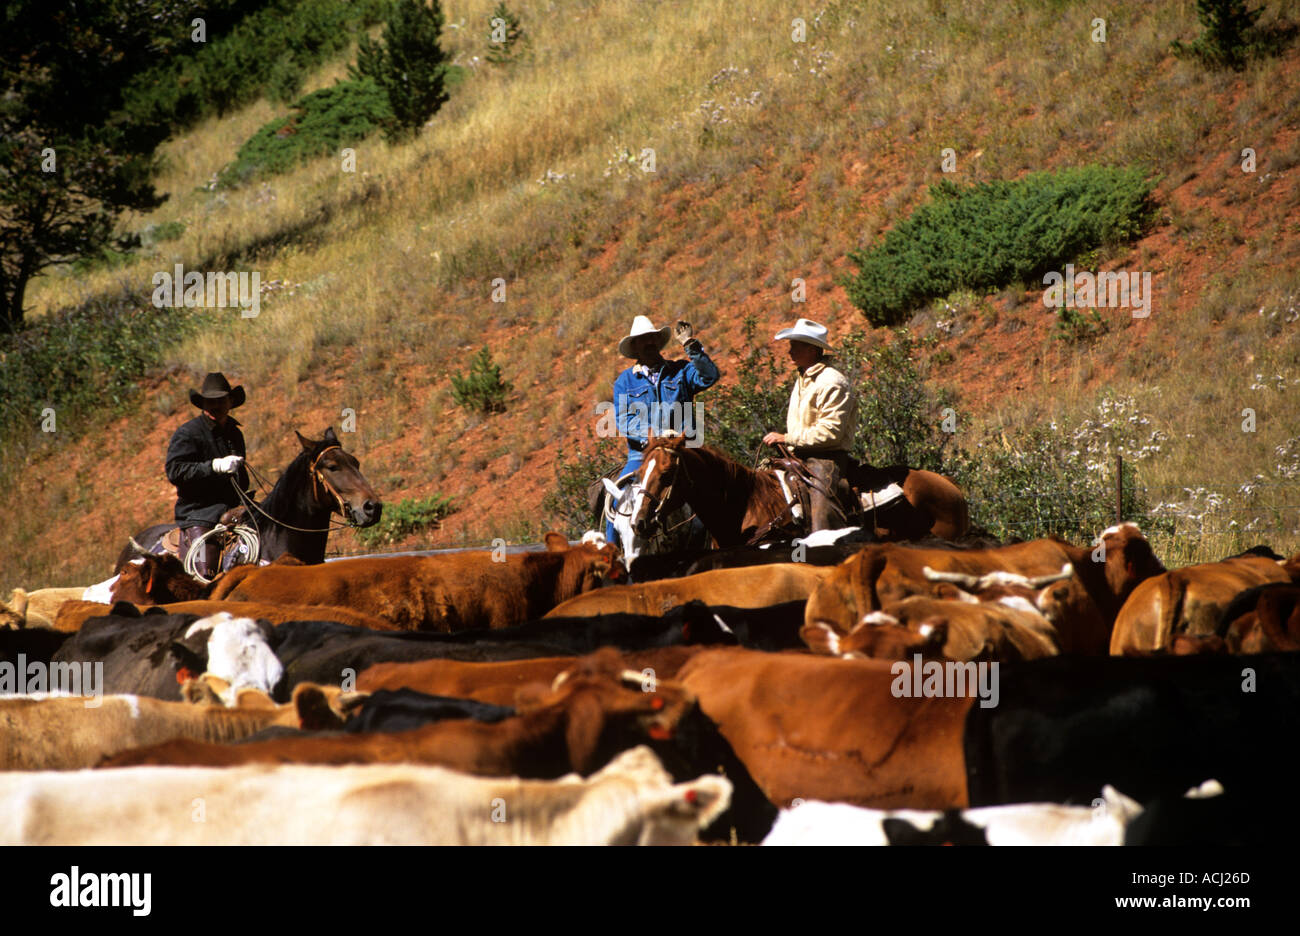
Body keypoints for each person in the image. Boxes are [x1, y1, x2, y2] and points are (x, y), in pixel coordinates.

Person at [606, 315, 720, 544]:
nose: (648, 343)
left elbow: (710, 376)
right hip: (643, 454)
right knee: (617, 500)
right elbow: (623, 419)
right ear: (635, 347)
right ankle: (612, 554)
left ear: (658, 342)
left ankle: (718, 550)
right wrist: (655, 436)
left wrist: (691, 346)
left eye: (651, 338)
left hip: (684, 452)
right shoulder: (625, 382)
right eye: (642, 340)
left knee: (714, 496)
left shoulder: (681, 371)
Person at [762, 318, 858, 532]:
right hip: (800, 453)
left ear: (813, 350)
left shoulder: (832, 382)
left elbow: (830, 433)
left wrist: (786, 438)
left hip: (827, 457)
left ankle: (829, 548)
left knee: (822, 507)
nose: (790, 352)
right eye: (791, 346)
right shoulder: (803, 377)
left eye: (796, 346)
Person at [165, 372, 254, 578]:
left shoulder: (234, 432)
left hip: (235, 508)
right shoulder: (188, 433)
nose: (215, 406)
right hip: (200, 512)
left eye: (220, 400)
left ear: (230, 402)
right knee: (205, 575)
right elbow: (175, 470)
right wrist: (213, 466)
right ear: (203, 404)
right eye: (210, 401)